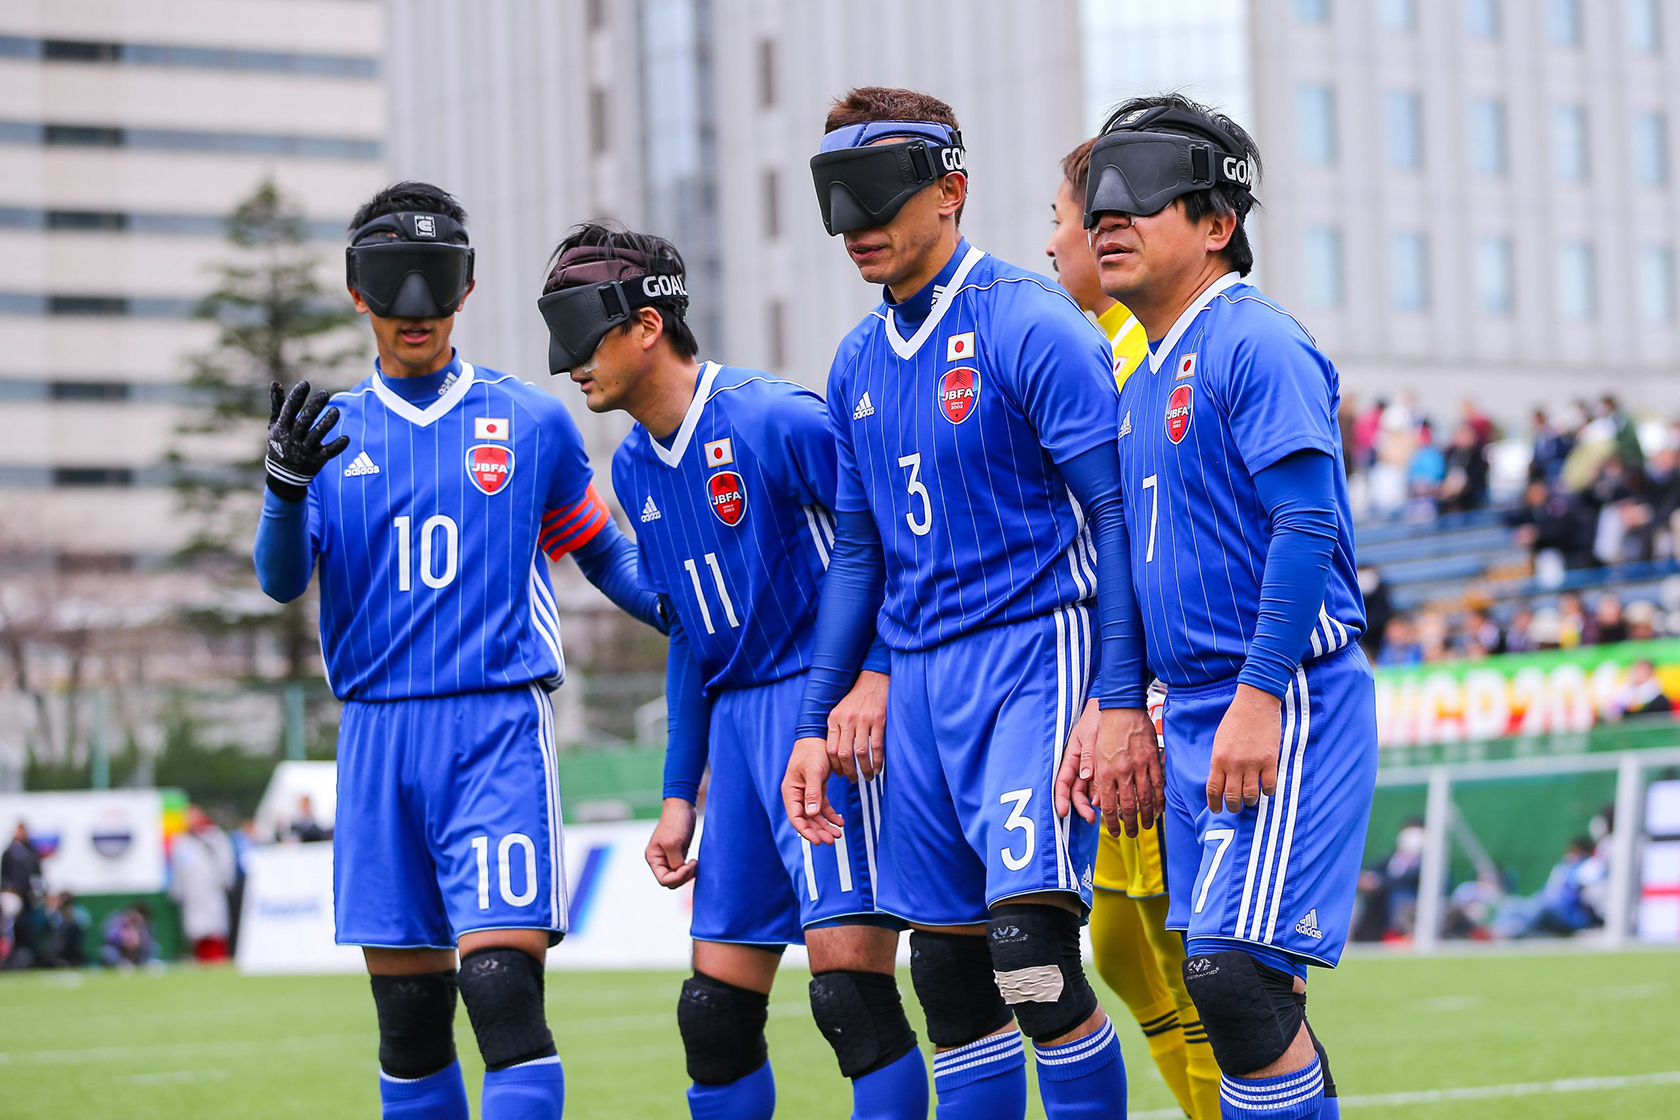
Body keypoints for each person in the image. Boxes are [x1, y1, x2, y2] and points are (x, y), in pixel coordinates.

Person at [253, 181, 665, 1120]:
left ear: (467, 290)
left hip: (495, 729)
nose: (416, 311)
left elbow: (602, 553)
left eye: (435, 284)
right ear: (358, 292)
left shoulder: (530, 423)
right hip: (376, 737)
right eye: (394, 286)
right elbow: (280, 581)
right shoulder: (326, 437)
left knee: (501, 992)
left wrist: (688, 614)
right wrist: (281, 488)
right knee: (408, 1020)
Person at [787, 87, 1141, 1120]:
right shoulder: (855, 360)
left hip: (1036, 657)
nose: (855, 226)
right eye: (835, 200)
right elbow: (861, 554)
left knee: (1030, 957)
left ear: (952, 190)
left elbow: (1113, 516)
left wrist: (1117, 695)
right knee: (946, 979)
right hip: (922, 688)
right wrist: (821, 716)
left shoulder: (1029, 322)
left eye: (877, 196)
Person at [538, 222, 928, 1120]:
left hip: (822, 723)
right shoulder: (633, 465)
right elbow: (689, 631)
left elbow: (895, 549)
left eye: (580, 336)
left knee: (850, 1000)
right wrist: (681, 794)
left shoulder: (773, 416)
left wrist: (869, 678)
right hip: (737, 742)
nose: (566, 365)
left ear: (646, 326)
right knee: (712, 1017)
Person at [1072, 93, 1379, 1120]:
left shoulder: (1255, 343)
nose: (1106, 219)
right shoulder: (1139, 373)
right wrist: (1122, 706)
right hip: (1194, 708)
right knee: (1245, 992)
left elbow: (1307, 530)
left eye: (1139, 198)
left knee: (1233, 981)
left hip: (1282, 698)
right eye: (1096, 204)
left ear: (1217, 224)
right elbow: (1128, 565)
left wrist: (1256, 696)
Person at [1046, 136, 1218, 1120]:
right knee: (1117, 942)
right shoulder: (1106, 348)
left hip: (1154, 688)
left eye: (1061, 221)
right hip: (1117, 684)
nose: (1054, 243)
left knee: (1187, 949)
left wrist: (1126, 697)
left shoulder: (1137, 352)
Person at [170, 805, 237, 962]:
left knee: (214, 927)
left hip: (212, 890)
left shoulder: (216, 837)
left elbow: (226, 863)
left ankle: (217, 958)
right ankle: (200, 959)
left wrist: (224, 881)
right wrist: (177, 890)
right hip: (192, 893)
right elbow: (178, 869)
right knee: (196, 930)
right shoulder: (182, 842)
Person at [1, 821, 44, 968]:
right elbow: (5, 875)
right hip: (13, 896)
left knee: (27, 929)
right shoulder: (9, 853)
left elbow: (37, 875)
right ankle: (9, 959)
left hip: (27, 899)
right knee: (10, 929)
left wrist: (37, 891)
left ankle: (26, 959)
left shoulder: (31, 853)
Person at [101, 900, 156, 968]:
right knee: (108, 952)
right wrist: (123, 939)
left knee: (153, 947)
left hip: (136, 951)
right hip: (119, 950)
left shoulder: (140, 922)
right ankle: (121, 963)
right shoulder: (119, 920)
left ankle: (146, 962)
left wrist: (139, 939)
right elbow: (109, 937)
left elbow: (148, 937)